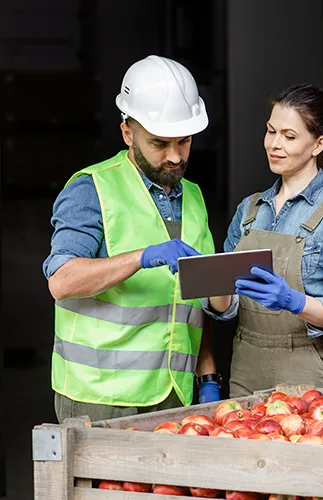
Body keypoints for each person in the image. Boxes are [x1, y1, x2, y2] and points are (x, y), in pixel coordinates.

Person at [43, 55, 225, 423]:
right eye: (159, 143)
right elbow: (61, 281)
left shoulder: (194, 198)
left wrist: (207, 374)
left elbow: (199, 302)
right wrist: (141, 257)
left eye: (184, 141)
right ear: (128, 132)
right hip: (100, 397)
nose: (174, 156)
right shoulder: (91, 189)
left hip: (176, 393)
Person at [206, 84, 323, 396]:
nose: (274, 144)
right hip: (247, 368)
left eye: (289, 136)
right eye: (270, 131)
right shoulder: (250, 210)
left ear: (318, 144)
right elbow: (227, 307)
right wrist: (210, 278)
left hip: (311, 370)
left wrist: (295, 302)